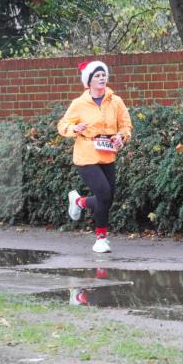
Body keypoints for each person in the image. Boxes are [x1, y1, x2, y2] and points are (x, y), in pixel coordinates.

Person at [57, 60, 133, 253]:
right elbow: (62, 126)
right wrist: (75, 128)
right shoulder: (79, 104)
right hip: (86, 155)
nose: (101, 78)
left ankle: (79, 202)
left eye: (103, 75)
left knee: (108, 198)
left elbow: (126, 126)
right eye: (97, 76)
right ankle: (101, 239)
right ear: (88, 81)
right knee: (104, 194)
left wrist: (121, 137)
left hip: (107, 153)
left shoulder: (116, 101)